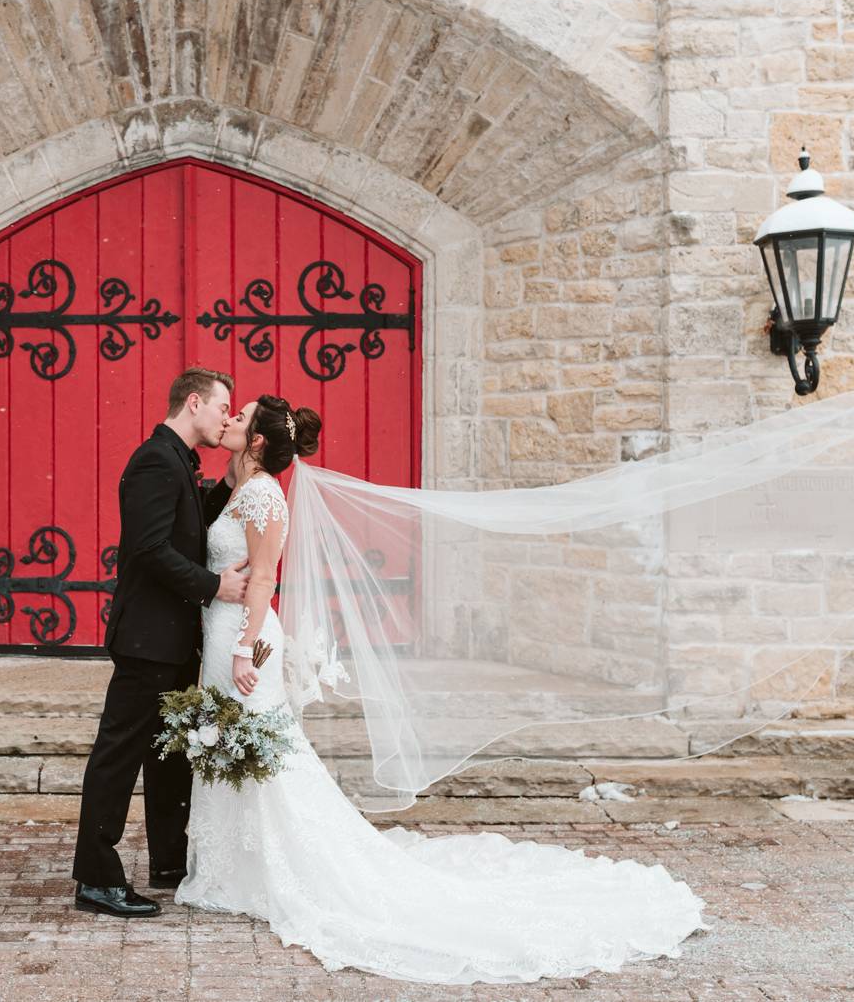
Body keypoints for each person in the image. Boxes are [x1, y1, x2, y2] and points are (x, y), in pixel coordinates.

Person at [173, 394, 711, 985]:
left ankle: (271, 870)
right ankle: (236, 869)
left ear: (255, 442)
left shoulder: (262, 495)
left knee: (264, 755)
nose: (230, 419)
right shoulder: (239, 488)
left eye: (241, 416)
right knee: (243, 750)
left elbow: (266, 579)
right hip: (223, 634)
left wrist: (246, 648)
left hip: (243, 644)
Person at [71, 367, 249, 918]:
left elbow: (188, 527)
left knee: (169, 757)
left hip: (173, 642)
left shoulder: (176, 461)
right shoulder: (153, 460)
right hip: (147, 639)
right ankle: (96, 879)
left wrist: (231, 482)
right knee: (118, 755)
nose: (226, 417)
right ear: (194, 403)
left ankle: (170, 862)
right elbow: (150, 550)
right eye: (223, 407)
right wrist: (216, 585)